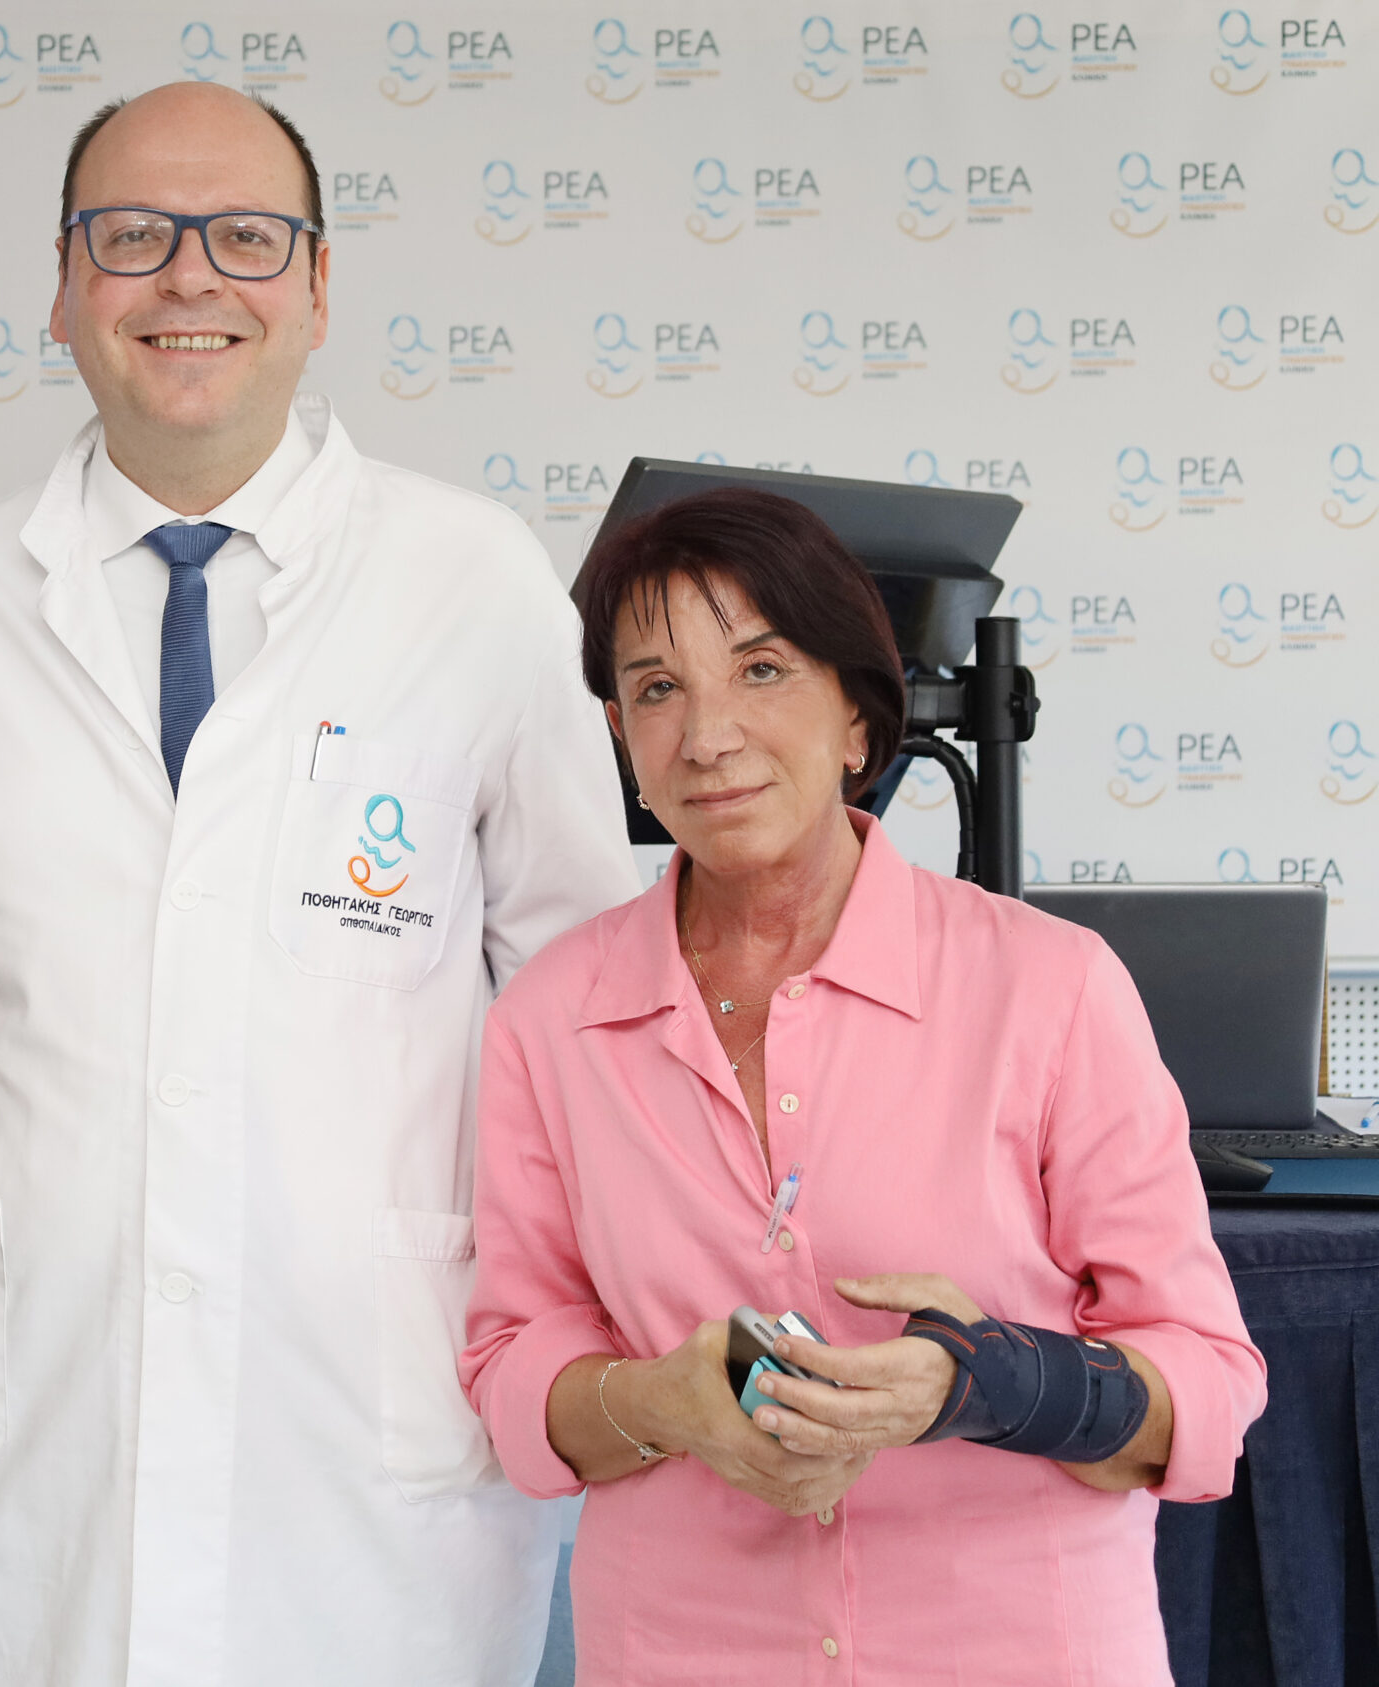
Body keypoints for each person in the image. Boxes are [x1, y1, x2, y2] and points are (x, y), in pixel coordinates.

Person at [0, 83, 636, 1685]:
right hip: (35, 1449)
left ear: (318, 289)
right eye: (131, 235)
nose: (190, 275)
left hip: (367, 1455)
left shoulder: (472, 581)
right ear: (64, 289)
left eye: (248, 236)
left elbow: (587, 1009)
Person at [461, 487, 1266, 1682]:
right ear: (621, 737)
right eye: (657, 688)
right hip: (684, 1648)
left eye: (761, 670)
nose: (707, 735)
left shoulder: (1049, 987)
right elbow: (514, 1364)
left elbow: (1204, 1382)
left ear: (855, 715)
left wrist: (991, 1383)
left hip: (1017, 1650)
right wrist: (663, 1403)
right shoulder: (549, 1017)